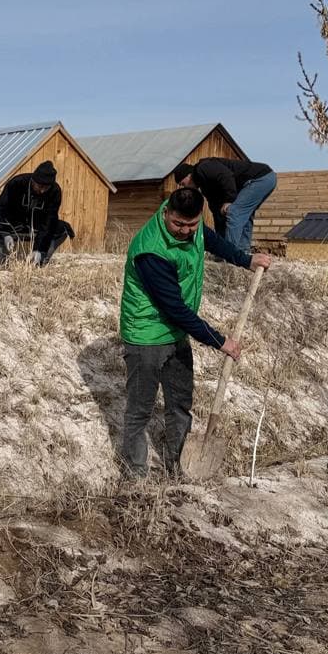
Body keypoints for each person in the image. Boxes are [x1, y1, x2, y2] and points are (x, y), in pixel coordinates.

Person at [119, 187, 272, 478]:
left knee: (180, 404)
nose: (185, 231)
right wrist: (220, 341)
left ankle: (178, 468)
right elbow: (174, 308)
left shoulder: (194, 227)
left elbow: (210, 239)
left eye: (192, 224)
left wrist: (245, 259)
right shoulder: (150, 251)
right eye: (178, 224)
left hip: (176, 333)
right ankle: (135, 476)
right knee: (140, 410)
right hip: (146, 334)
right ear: (166, 213)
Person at [172, 158, 277, 256]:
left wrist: (229, 200)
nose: (184, 187)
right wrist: (219, 241)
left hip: (260, 178)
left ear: (188, 175)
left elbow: (226, 176)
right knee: (244, 216)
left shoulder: (203, 167)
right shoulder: (205, 186)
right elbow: (216, 209)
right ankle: (243, 253)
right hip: (264, 179)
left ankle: (229, 255)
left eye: (183, 183)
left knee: (234, 212)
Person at [0, 160, 75, 266]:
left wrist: (39, 249)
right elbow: (0, 210)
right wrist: (5, 234)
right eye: (40, 186)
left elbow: (49, 220)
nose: (42, 191)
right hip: (14, 225)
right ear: (33, 180)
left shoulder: (54, 191)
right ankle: (5, 259)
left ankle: (40, 260)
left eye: (46, 188)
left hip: (37, 226)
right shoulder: (16, 183)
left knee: (61, 227)